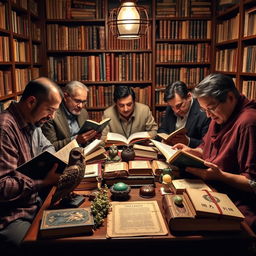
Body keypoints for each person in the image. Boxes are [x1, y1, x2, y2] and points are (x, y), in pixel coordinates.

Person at [173, 73, 256, 232]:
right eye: (204, 110)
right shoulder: (221, 116)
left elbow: (253, 183)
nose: (209, 115)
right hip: (213, 188)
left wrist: (221, 176)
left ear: (230, 97)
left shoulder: (248, 122)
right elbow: (206, 148)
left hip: (238, 203)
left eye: (211, 108)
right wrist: (193, 151)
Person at [0, 77, 63, 254]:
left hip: (34, 203)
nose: (52, 117)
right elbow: (2, 187)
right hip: (11, 216)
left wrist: (54, 163)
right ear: (31, 102)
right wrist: (42, 181)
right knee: (52, 248)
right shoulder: (5, 128)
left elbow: (48, 147)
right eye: (50, 110)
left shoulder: (33, 123)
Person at [42, 81, 98, 151]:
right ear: (65, 97)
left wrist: (92, 137)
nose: (80, 106)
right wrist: (75, 140)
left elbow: (85, 142)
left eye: (84, 102)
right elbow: (51, 147)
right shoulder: (51, 115)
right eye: (77, 101)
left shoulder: (84, 113)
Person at [158, 81, 210, 147]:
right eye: (172, 107)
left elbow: (207, 145)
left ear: (189, 96)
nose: (176, 111)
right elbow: (162, 129)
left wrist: (188, 141)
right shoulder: (171, 108)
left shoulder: (204, 113)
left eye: (179, 106)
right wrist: (165, 139)